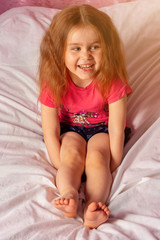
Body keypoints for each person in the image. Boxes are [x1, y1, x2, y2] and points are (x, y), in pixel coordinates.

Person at [38, 4, 132, 229]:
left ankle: (94, 206)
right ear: (59, 50)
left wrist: (113, 164)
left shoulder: (112, 81)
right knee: (71, 152)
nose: (86, 56)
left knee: (98, 157)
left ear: (106, 48)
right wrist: (64, 166)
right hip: (70, 129)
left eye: (94, 47)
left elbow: (117, 128)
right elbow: (50, 131)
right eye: (76, 48)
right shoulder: (54, 82)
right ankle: (69, 195)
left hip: (103, 129)